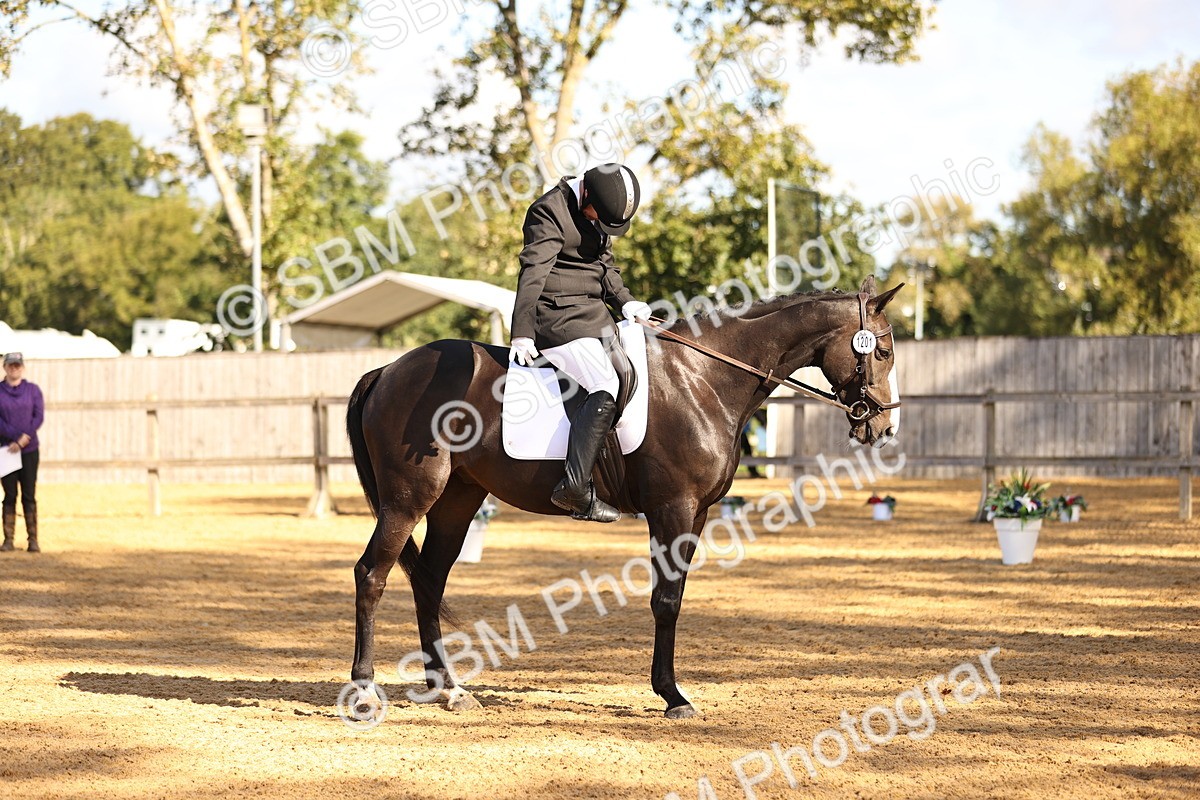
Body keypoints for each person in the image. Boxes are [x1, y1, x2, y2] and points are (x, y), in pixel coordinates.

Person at [509, 163, 653, 523]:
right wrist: (522, 330)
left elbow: (604, 266)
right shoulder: (548, 211)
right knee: (605, 383)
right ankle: (574, 488)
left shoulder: (596, 209)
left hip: (593, 315)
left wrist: (626, 301)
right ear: (585, 192)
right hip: (556, 318)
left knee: (640, 369)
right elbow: (533, 273)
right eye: (596, 216)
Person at [0, 353, 44, 552]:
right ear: (5, 367)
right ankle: (8, 539)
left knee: (29, 494)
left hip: (29, 449)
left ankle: (32, 539)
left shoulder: (33, 390)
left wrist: (25, 437)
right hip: (7, 449)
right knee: (9, 495)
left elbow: (38, 415)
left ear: (23, 367)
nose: (14, 368)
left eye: (17, 365)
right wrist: (15, 437)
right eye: (10, 365)